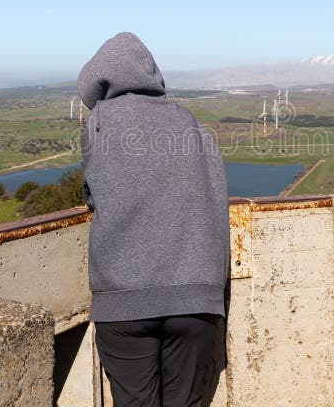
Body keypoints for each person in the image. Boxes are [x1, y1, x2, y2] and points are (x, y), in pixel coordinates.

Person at [78, 32, 230, 407]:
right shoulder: (189, 121)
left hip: (123, 298)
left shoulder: (99, 124)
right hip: (197, 296)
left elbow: (92, 195)